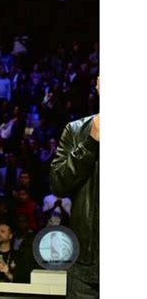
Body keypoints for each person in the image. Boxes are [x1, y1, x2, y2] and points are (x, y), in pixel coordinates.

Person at [50, 77, 99, 299]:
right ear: (98, 84)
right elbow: (58, 184)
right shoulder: (76, 130)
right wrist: (89, 144)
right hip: (84, 266)